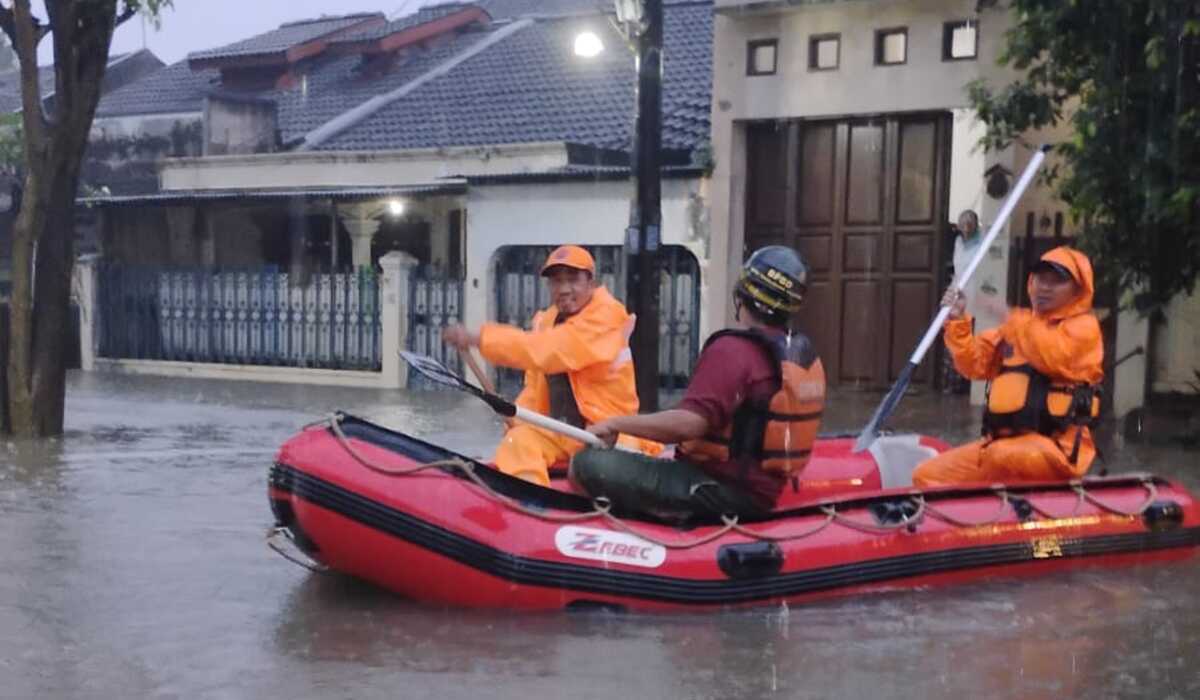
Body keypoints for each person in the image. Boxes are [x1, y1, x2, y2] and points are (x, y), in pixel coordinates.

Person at [571, 246, 826, 522]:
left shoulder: (733, 352)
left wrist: (615, 424)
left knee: (586, 464)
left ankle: (648, 525)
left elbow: (688, 425)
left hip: (719, 490)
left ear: (742, 294)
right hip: (763, 493)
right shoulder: (800, 355)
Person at [441, 245, 649, 486]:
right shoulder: (546, 321)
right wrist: (517, 422)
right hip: (564, 433)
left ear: (591, 282)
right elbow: (535, 388)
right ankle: (529, 502)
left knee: (621, 462)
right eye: (557, 282)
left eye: (573, 280)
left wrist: (479, 339)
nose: (564, 289)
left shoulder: (607, 316)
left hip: (610, 433)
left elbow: (546, 350)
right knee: (517, 441)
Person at [912, 246, 1103, 486]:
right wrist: (957, 320)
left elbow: (1050, 355)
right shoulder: (1016, 327)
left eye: (1056, 282)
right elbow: (974, 366)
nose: (1045, 287)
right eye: (1041, 279)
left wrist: (1008, 316)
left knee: (1001, 456)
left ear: (1078, 290)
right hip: (1001, 446)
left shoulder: (1084, 328)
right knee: (926, 475)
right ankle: (975, 506)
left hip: (1055, 451)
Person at [941, 210, 982, 394]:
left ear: (976, 224)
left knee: (971, 340)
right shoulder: (958, 242)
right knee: (953, 337)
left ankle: (969, 383)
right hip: (958, 294)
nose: (966, 226)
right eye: (962, 222)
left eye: (970, 222)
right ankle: (953, 383)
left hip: (976, 295)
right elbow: (957, 271)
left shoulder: (982, 241)